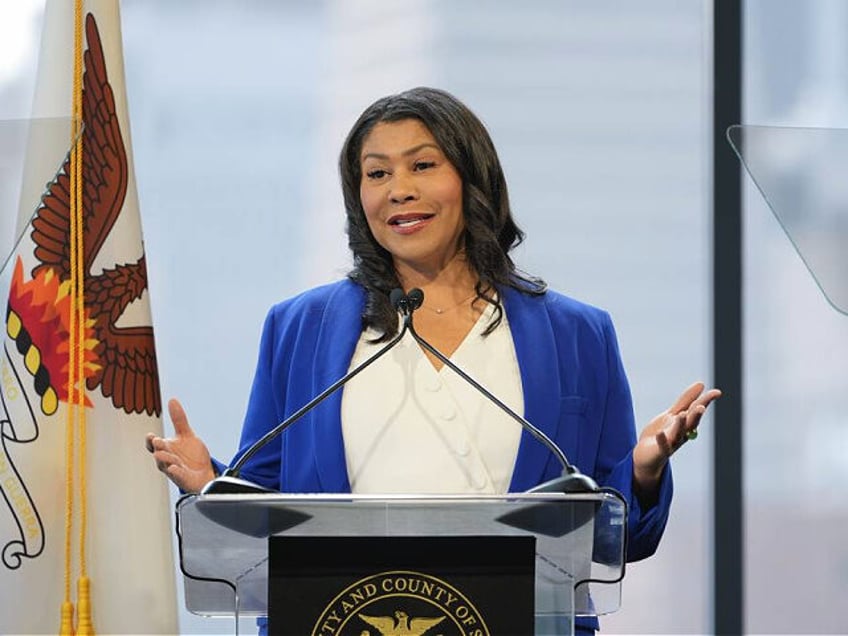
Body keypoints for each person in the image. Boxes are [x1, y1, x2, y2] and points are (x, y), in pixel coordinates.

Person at [146, 86, 720, 633]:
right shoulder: (301, 329)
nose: (398, 189)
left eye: (422, 166)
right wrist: (210, 486)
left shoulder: (577, 334)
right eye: (377, 173)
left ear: (473, 181)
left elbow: (615, 536)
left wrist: (643, 474)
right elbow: (264, 510)